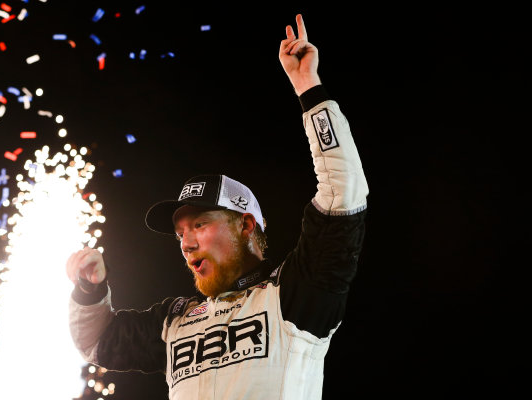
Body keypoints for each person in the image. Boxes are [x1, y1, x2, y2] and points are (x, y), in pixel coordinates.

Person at [66, 14, 368, 399]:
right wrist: (90, 291)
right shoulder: (175, 320)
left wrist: (308, 85)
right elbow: (97, 343)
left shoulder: (296, 294)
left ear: (245, 225)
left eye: (200, 225)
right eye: (180, 233)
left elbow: (345, 193)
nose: (186, 243)